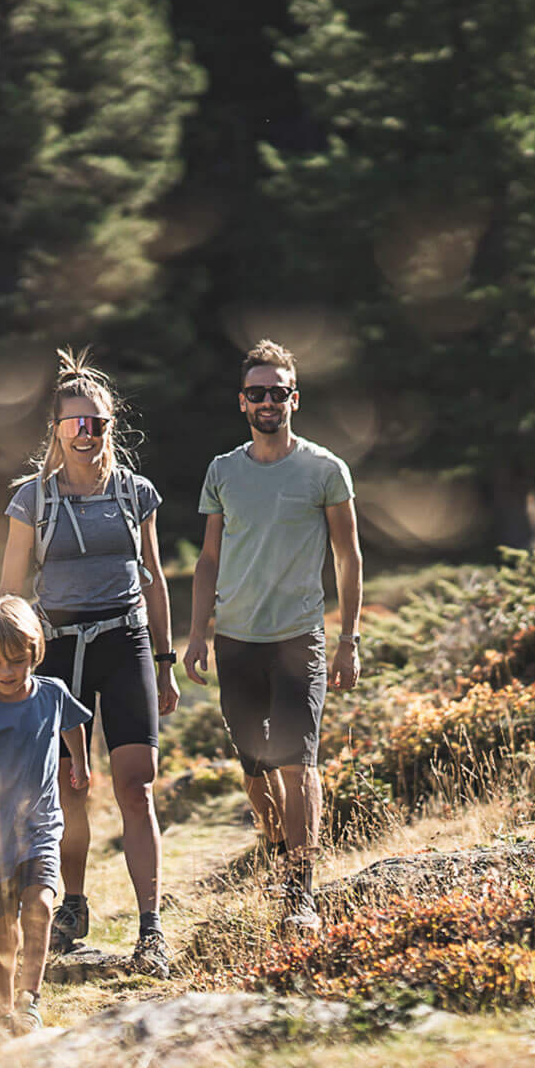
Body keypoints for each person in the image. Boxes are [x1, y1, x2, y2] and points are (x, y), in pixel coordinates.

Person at [0, 349, 179, 977]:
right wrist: (9, 674)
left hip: (126, 644)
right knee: (71, 787)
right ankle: (73, 904)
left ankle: (151, 927)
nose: (87, 432)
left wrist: (166, 660)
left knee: (137, 783)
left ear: (111, 425)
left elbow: (154, 578)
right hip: (59, 653)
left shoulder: (136, 493)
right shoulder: (33, 500)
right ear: (56, 430)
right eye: (75, 422)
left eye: (97, 421)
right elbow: (10, 595)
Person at [182, 339, 362, 940]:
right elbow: (208, 558)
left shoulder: (325, 469)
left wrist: (349, 639)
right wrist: (197, 632)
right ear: (242, 402)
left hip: (298, 639)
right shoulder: (222, 471)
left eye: (277, 392)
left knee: (296, 761)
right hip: (235, 639)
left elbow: (348, 556)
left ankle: (301, 891)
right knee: (255, 768)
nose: (267, 401)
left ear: (294, 399)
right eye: (256, 392)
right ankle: (278, 851)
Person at [0, 596, 94, 1033]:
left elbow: (72, 723)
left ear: (35, 652)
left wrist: (79, 762)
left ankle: (30, 1001)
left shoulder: (52, 694)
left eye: (16, 661)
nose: (5, 673)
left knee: (40, 908)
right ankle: (2, 1007)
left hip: (41, 828)